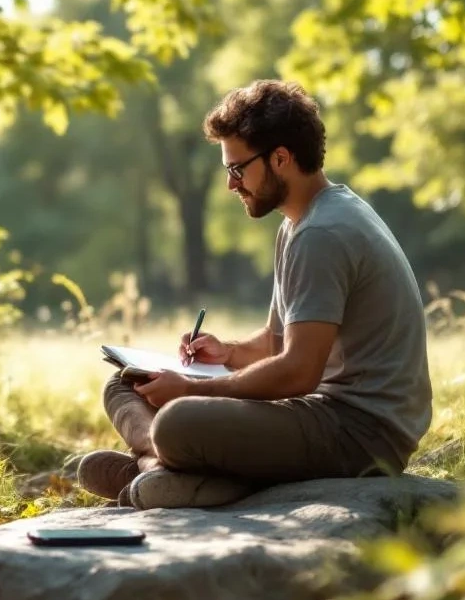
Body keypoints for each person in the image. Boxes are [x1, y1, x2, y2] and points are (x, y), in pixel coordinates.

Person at [78, 80, 433, 510]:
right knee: (125, 383)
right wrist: (224, 352)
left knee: (177, 420)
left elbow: (298, 371)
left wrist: (190, 389)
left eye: (237, 169)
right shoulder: (299, 224)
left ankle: (171, 470)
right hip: (322, 414)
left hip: (362, 434)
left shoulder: (323, 233)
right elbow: (276, 342)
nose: (231, 185)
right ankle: (164, 471)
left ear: (280, 158)